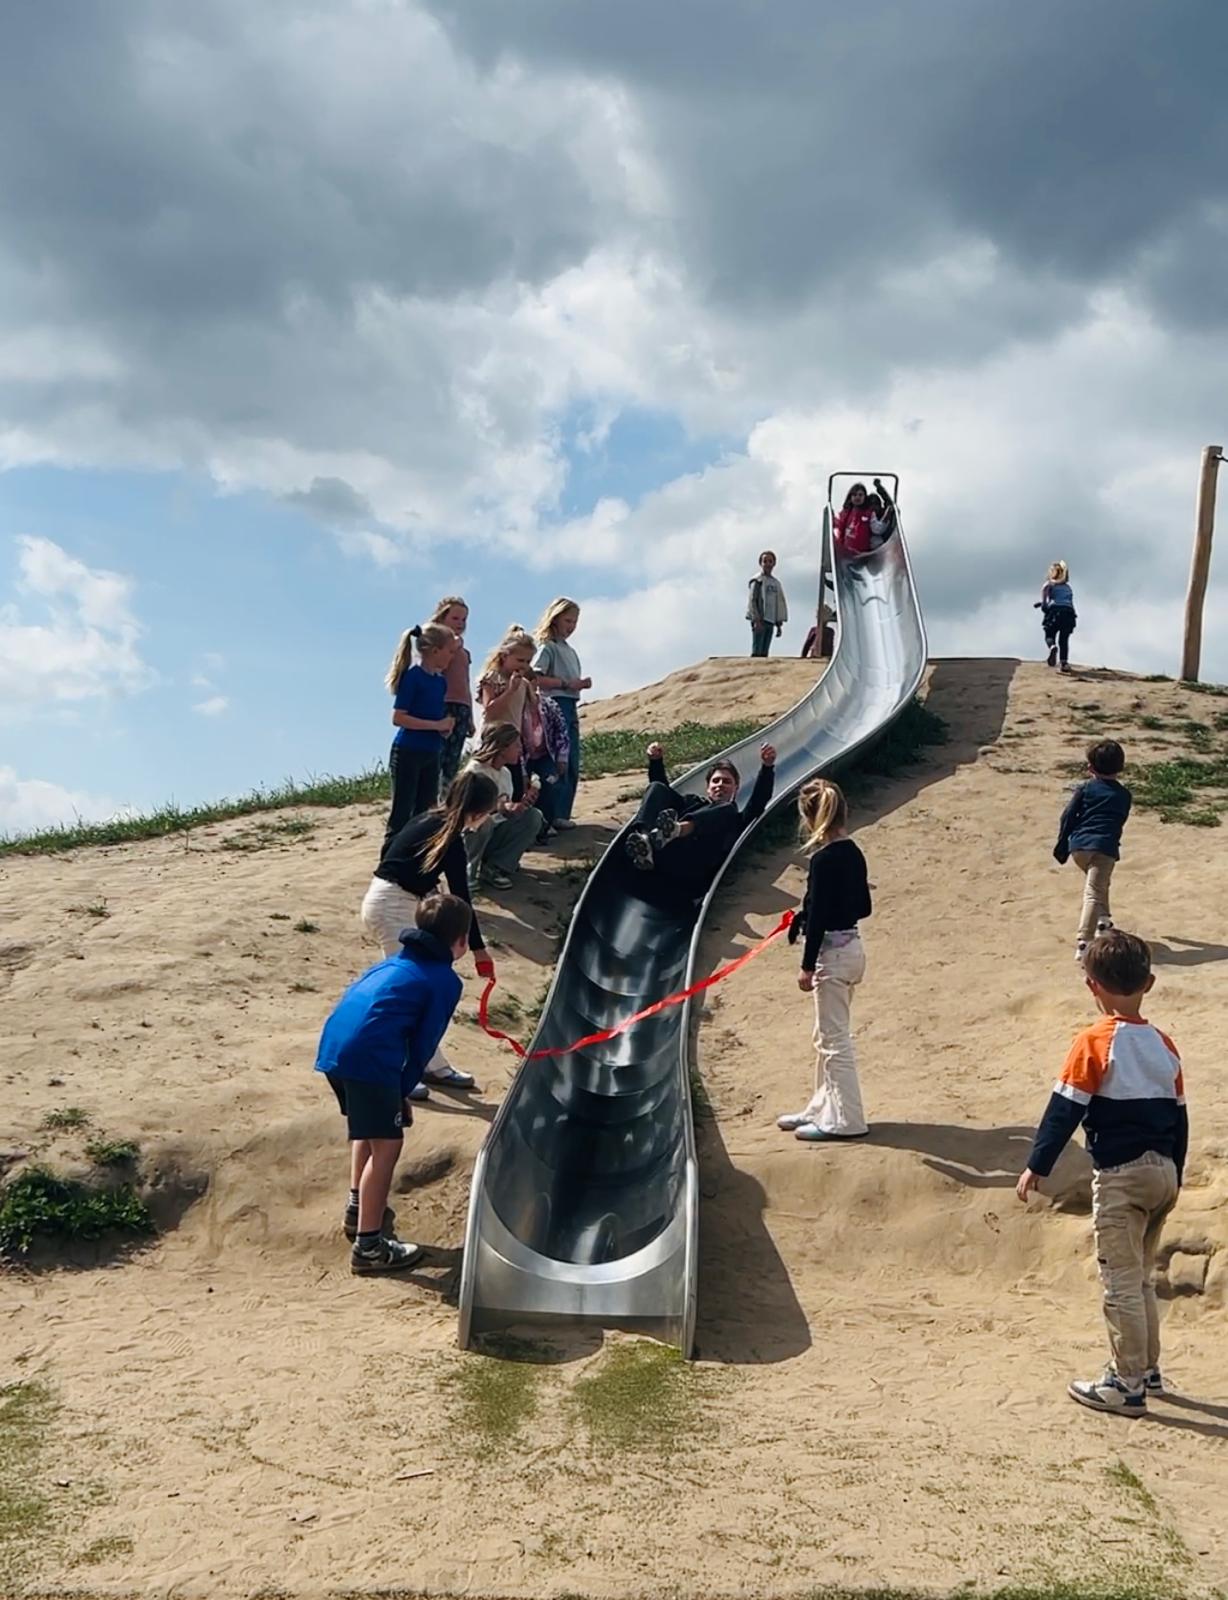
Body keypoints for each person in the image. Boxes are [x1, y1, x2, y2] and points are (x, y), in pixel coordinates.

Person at [1016, 930, 1187, 1416]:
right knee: (1143, 1278)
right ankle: (1148, 1369)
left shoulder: (1094, 1041)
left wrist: (1037, 1164)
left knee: (1119, 1281)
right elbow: (1180, 1114)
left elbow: (1064, 1109)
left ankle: (1126, 1382)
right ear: (1149, 983)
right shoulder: (1164, 1045)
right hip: (1163, 1171)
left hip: (1121, 1176)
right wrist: (1176, 1168)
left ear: (1092, 986)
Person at [317, 893, 472, 1273]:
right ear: (461, 942)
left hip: (334, 1050)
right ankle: (369, 1248)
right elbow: (423, 1046)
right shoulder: (443, 981)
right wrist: (403, 1089)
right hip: (370, 1060)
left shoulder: (392, 964)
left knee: (367, 1131)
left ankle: (359, 1208)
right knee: (387, 1145)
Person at [360, 770, 498, 1097]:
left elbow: (391, 851)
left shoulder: (429, 819)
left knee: (418, 989)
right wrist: (478, 949)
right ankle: (396, 1071)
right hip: (392, 906)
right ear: (478, 813)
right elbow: (463, 899)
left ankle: (431, 1064)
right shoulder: (450, 837)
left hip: (393, 901)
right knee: (407, 995)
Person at [778, 779, 873, 1142]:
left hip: (831, 957)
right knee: (826, 1034)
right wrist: (814, 914)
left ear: (809, 818)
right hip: (853, 950)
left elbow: (817, 916)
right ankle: (822, 1105)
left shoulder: (821, 860)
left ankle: (847, 1120)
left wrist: (806, 965)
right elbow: (863, 907)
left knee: (835, 1041)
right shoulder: (853, 852)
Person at [622, 740, 776, 908]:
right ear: (708, 788)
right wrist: (656, 762)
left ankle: (676, 830)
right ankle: (644, 841)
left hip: (691, 871)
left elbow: (759, 801)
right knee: (657, 787)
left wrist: (767, 768)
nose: (720, 785)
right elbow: (662, 796)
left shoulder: (735, 818)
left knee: (727, 809)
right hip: (662, 860)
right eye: (716, 781)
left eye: (726, 782)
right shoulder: (691, 803)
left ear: (736, 788)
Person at [478, 625, 571, 838]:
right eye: (520, 661)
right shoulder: (492, 678)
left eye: (528, 661)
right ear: (504, 656)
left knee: (517, 789)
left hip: (515, 743)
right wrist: (510, 690)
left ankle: (522, 835)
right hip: (494, 741)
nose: (524, 666)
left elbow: (532, 706)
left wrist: (528, 686)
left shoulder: (523, 681)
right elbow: (490, 710)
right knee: (493, 789)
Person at [1054, 740, 1132, 964]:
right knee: (1093, 892)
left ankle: (1104, 922)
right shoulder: (1124, 795)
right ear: (1121, 767)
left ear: (1090, 768)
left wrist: (1062, 845)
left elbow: (1067, 816)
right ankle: (1084, 942)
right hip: (1104, 849)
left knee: (1098, 887)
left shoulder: (1085, 789)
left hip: (1078, 847)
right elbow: (1119, 820)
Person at [383, 622, 457, 850]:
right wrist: (436, 725)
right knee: (402, 812)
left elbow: (433, 714)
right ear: (435, 651)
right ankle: (388, 864)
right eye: (450, 651)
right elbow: (399, 717)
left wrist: (445, 727)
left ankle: (414, 862)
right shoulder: (413, 677)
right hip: (408, 751)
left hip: (431, 752)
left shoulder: (440, 681)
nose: (452, 656)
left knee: (425, 812)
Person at [532, 597, 590, 829]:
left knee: (572, 759)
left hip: (570, 707)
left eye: (575, 622)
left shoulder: (570, 651)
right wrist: (567, 684)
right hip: (553, 706)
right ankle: (551, 814)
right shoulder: (548, 648)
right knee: (558, 759)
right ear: (555, 619)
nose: (571, 626)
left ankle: (563, 812)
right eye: (567, 620)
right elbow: (535, 677)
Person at [463, 721, 543, 890]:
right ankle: (467, 872)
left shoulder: (505, 773)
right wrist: (500, 807)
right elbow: (467, 813)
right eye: (516, 745)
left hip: (495, 832)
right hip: (471, 835)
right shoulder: (475, 771)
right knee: (484, 822)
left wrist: (519, 807)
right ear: (501, 747)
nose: (520, 750)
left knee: (533, 816)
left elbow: (505, 804)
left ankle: (495, 867)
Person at [431, 595, 474, 794]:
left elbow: (465, 683)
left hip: (462, 707)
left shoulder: (464, 652)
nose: (460, 623)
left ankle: (446, 800)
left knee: (453, 760)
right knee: (438, 757)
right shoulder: (437, 646)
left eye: (464, 620)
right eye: (455, 618)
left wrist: (471, 717)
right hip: (443, 705)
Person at [1035, 561, 1078, 674]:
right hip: (1068, 613)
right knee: (1064, 639)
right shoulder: (1068, 587)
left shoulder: (1049, 584)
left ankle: (1052, 647)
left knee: (1049, 634)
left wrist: (1043, 606)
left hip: (1054, 612)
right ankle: (1064, 663)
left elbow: (1047, 603)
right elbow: (1064, 601)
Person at [746, 551, 788, 657]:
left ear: (774, 563)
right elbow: (753, 600)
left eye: (770, 561)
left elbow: (778, 603)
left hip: (771, 620)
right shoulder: (757, 581)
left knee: (765, 652)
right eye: (765, 561)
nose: (768, 564)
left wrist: (779, 624)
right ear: (761, 563)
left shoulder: (776, 583)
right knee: (757, 650)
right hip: (761, 620)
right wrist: (756, 619)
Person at [833, 484, 874, 557]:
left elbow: (876, 528)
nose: (857, 497)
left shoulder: (869, 513)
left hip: (864, 553)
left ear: (865, 497)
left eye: (860, 495)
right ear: (850, 497)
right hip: (847, 551)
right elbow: (839, 528)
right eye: (854, 495)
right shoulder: (846, 513)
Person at [867, 478, 896, 548]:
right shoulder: (867, 515)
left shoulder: (883, 512)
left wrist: (879, 487)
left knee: (894, 511)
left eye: (876, 504)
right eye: (871, 505)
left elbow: (888, 502)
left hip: (884, 542)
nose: (874, 507)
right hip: (869, 544)